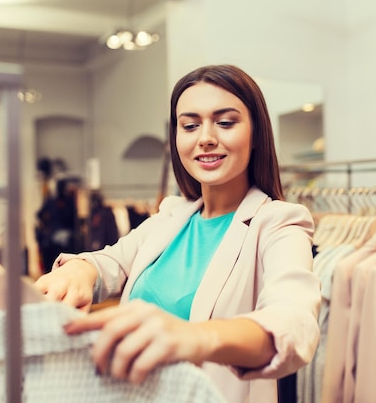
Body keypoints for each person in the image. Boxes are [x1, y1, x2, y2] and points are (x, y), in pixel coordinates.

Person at [34, 64, 321, 403]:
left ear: (256, 134)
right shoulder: (172, 215)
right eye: (189, 125)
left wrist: (195, 338)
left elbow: (292, 323)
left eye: (226, 122)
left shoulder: (280, 224)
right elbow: (112, 261)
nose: (206, 138)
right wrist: (80, 271)